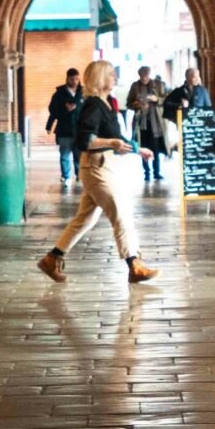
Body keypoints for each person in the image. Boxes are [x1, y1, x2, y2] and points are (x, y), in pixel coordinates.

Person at [36, 60, 157, 284]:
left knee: (85, 219)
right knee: (121, 212)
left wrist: (138, 150)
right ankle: (134, 264)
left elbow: (117, 138)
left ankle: (52, 259)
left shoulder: (106, 103)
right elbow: (85, 140)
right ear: (100, 78)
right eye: (110, 74)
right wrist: (111, 143)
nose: (115, 78)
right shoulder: (92, 105)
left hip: (105, 165)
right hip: (95, 167)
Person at [42, 67, 82, 187]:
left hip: (80, 130)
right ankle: (66, 176)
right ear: (67, 79)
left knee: (79, 155)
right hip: (64, 129)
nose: (75, 81)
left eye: (77, 79)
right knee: (65, 154)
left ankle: (79, 175)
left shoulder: (83, 93)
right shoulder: (59, 94)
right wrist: (49, 125)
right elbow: (53, 110)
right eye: (72, 79)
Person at [127, 71, 168, 182]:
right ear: (139, 75)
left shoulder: (158, 85)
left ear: (149, 75)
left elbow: (166, 99)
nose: (144, 78)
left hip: (155, 123)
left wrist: (157, 99)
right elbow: (129, 103)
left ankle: (156, 172)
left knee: (155, 149)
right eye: (142, 76)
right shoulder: (135, 86)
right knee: (144, 149)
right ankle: (147, 173)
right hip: (142, 124)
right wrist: (136, 104)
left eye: (146, 75)